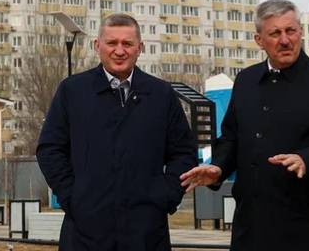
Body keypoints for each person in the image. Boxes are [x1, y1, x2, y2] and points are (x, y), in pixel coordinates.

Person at [180, 0, 309, 251]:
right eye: (275, 33)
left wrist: (307, 158)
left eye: (291, 31)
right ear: (259, 40)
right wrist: (218, 167)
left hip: (304, 227)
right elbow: (231, 137)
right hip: (251, 226)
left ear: (300, 32)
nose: (285, 40)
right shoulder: (246, 80)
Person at [37, 13, 197, 250]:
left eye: (127, 44)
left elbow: (184, 153)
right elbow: (50, 149)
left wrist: (165, 196)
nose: (119, 51)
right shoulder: (73, 91)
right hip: (85, 232)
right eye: (112, 43)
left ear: (140, 48)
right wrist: (73, 197)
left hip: (146, 232)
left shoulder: (161, 95)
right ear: (97, 45)